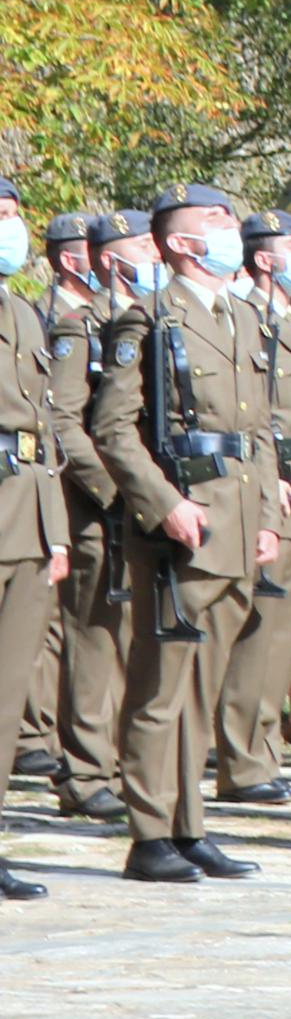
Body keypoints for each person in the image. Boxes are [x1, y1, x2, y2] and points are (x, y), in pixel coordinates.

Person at [90, 184, 282, 884]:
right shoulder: (148, 319)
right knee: (161, 683)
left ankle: (187, 822)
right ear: (178, 241)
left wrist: (267, 517)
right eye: (216, 221)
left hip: (235, 521)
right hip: (184, 523)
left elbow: (258, 431)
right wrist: (164, 503)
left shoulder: (239, 315)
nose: (231, 230)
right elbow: (112, 427)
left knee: (204, 684)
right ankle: (148, 832)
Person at [213, 210, 291, 808]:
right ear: (264, 258)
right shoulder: (249, 321)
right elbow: (257, 418)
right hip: (277, 485)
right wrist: (274, 484)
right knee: (259, 632)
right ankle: (242, 759)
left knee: (285, 636)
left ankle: (266, 750)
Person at [44, 214, 127, 825]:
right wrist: (109, 490)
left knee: (135, 643)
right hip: (100, 510)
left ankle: (125, 765)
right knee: (95, 638)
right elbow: (64, 423)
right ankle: (87, 771)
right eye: (138, 248)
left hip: (151, 509)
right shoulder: (81, 329)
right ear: (103, 260)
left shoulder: (155, 325)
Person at [0, 181, 59, 898]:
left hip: (25, 513)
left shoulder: (23, 312)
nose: (11, 229)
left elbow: (41, 434)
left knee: (8, 691)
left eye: (15, 216)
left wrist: (56, 531)